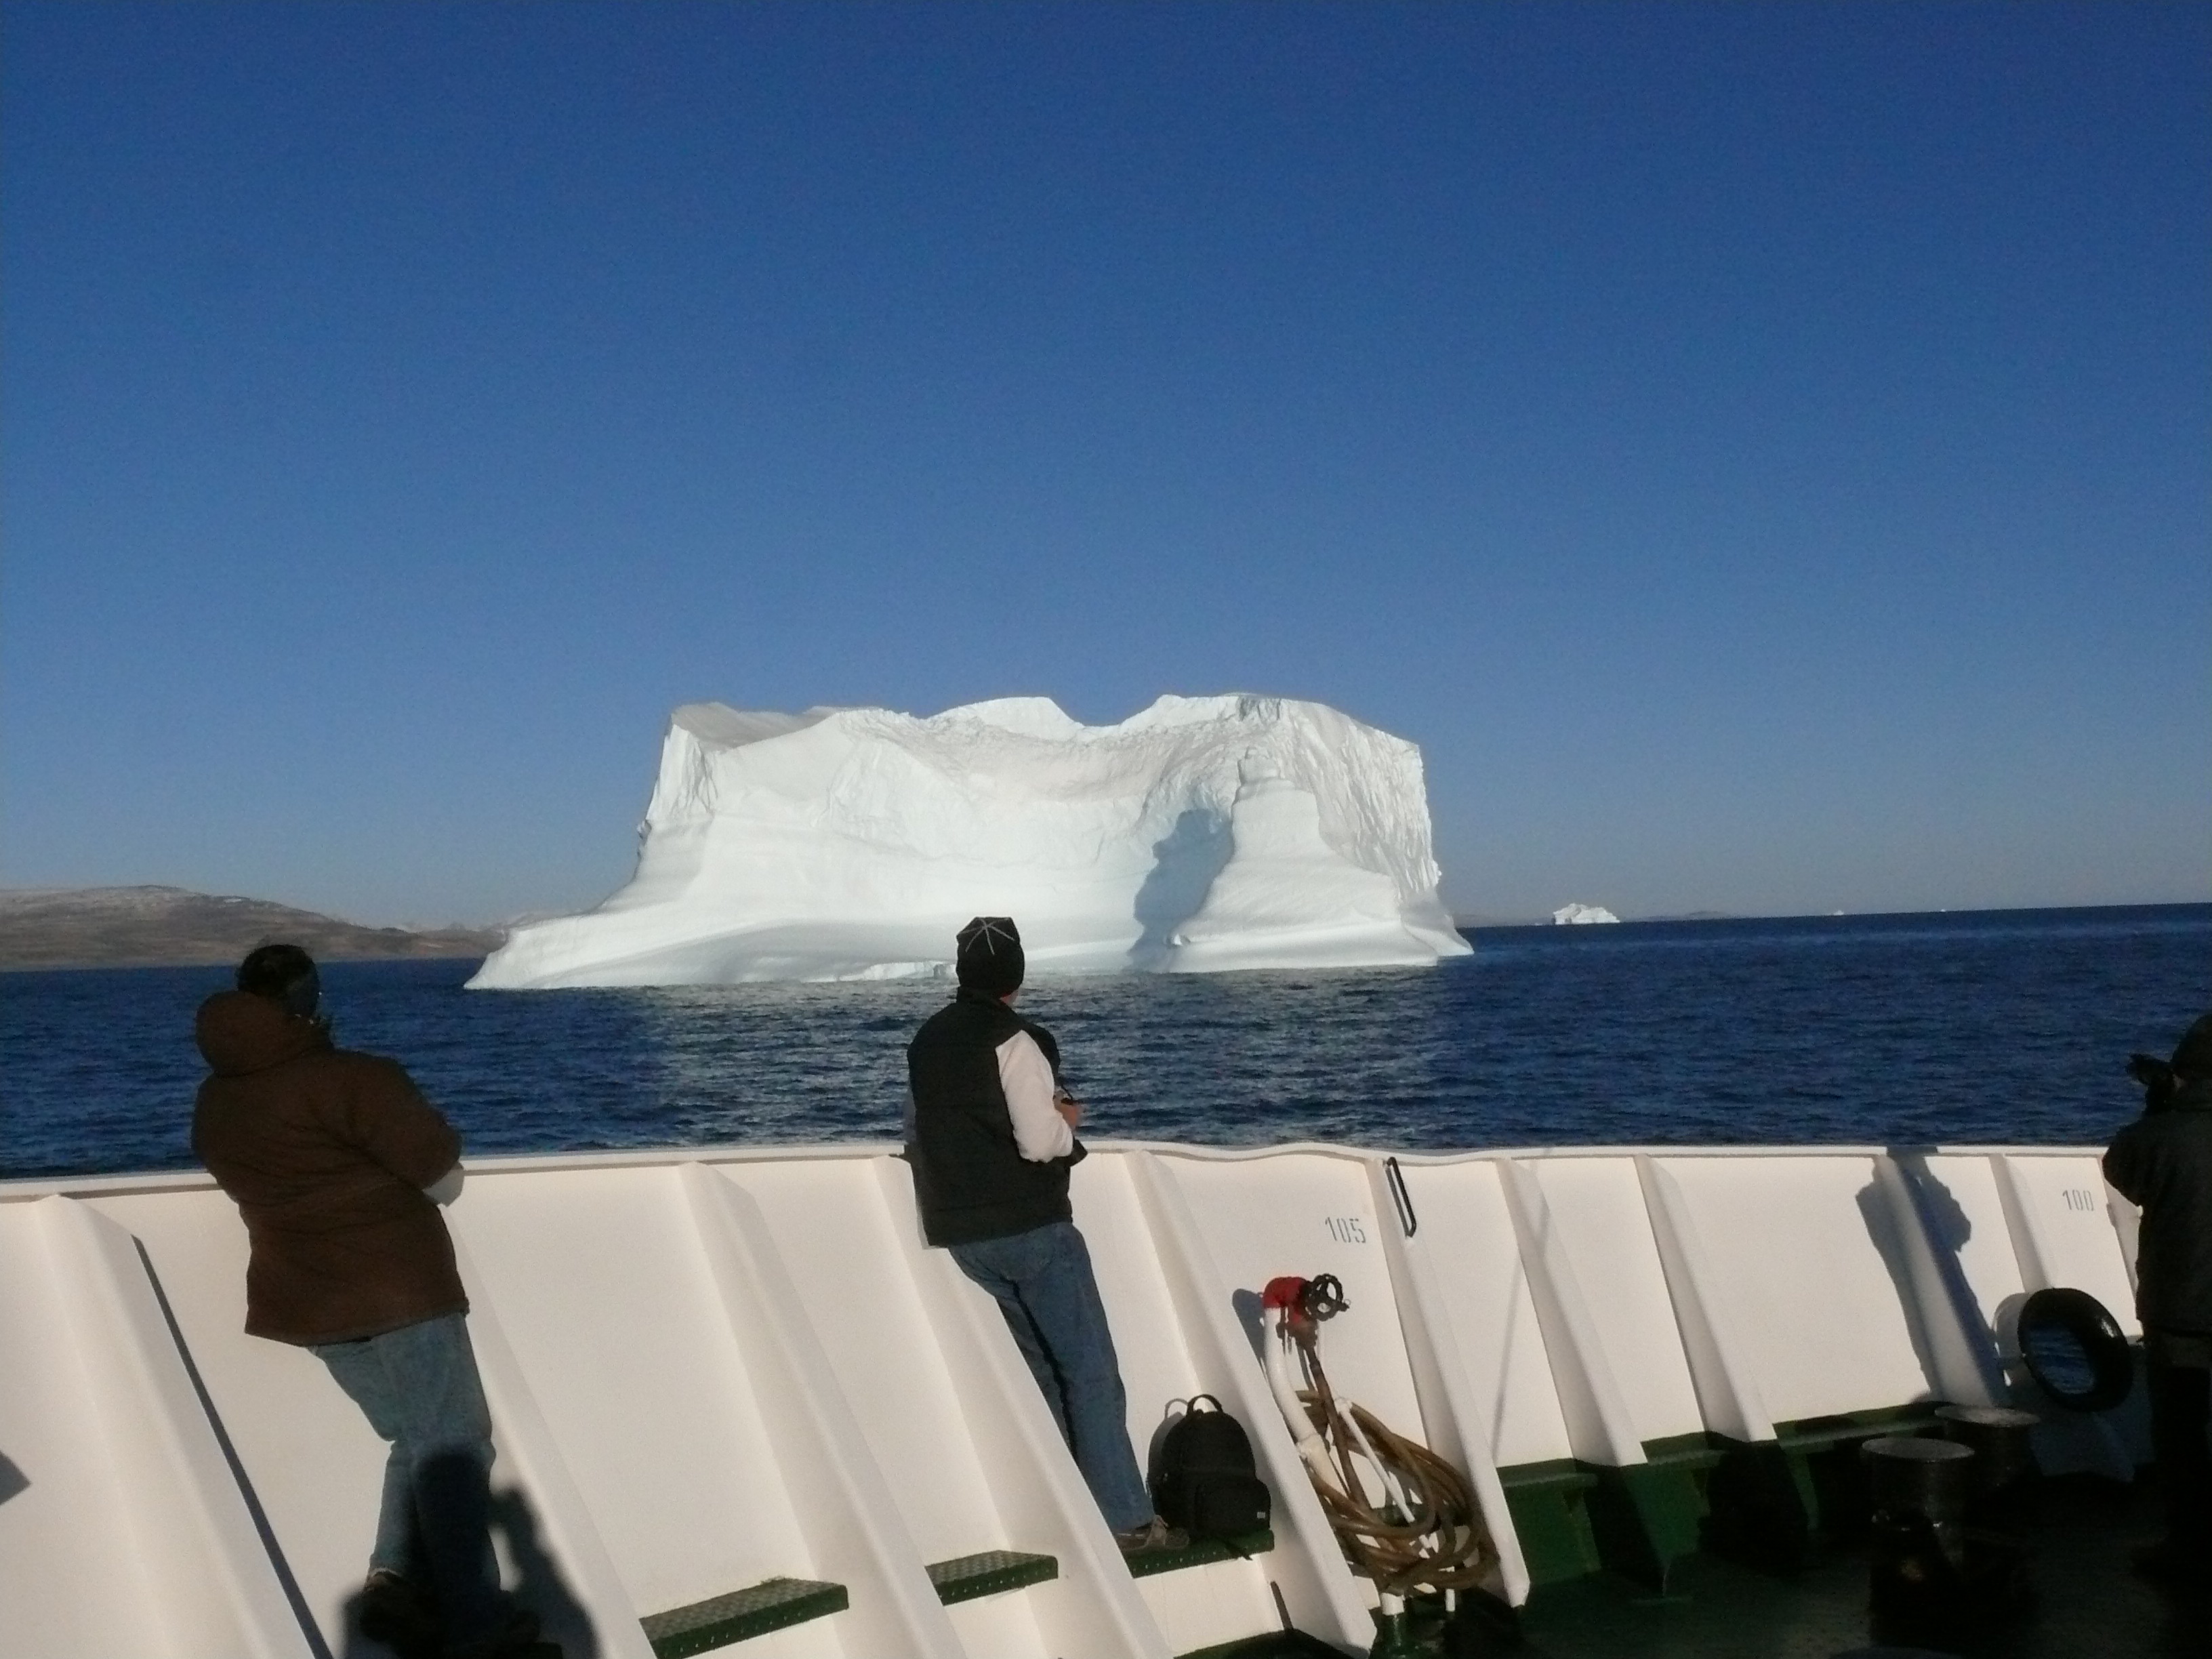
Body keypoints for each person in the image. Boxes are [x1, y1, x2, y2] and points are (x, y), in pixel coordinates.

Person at [192, 944, 556, 1659]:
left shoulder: (218, 1099)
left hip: (303, 1302)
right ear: (306, 997)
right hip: (399, 1291)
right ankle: (478, 1623)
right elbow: (440, 1174)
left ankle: (393, 1584)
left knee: (412, 1442)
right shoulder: (353, 1080)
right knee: (453, 1446)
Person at [905, 916, 1187, 1556]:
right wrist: (1069, 1124)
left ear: (961, 973)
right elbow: (1038, 1140)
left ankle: (1076, 1514)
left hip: (964, 1238)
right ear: (1016, 975)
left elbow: (925, 1130)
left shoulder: (926, 1041)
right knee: (1090, 1374)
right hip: (1030, 1228)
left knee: (1045, 1372)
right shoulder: (1018, 1039)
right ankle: (1127, 1522)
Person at [2104, 1010, 2212, 1585]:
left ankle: (2192, 1548)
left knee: (2182, 1434)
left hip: (2182, 1312)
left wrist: (2158, 1106)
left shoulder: (2161, 1135)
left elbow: (2122, 1169)